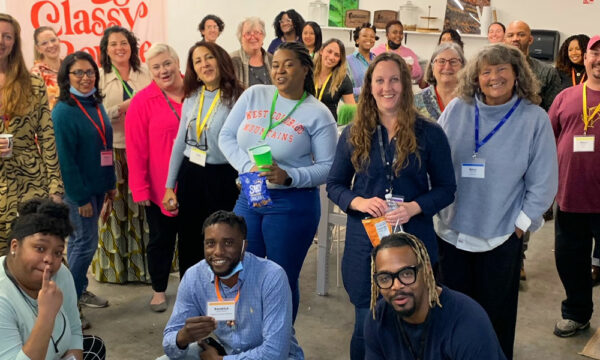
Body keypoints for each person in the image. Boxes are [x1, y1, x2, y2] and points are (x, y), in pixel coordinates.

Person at [326, 52, 456, 360]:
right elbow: (335, 185)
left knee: (415, 322)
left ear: (406, 85)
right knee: (365, 324)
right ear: (369, 86)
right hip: (365, 243)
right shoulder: (354, 132)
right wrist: (358, 201)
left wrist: (414, 207)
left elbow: (446, 189)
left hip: (414, 240)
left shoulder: (430, 133)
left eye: (394, 80)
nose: (388, 88)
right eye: (380, 80)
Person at [436, 43, 558, 359]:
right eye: (486, 70)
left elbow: (544, 183)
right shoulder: (456, 109)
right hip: (450, 234)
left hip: (501, 237)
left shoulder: (535, 119)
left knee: (495, 321)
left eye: (502, 69)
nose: (494, 77)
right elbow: (434, 161)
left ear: (517, 74)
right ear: (476, 76)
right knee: (450, 315)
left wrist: (519, 227)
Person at [219, 42, 337, 321]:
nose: (279, 70)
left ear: (305, 68)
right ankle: (248, 336)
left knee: (279, 278)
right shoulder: (254, 95)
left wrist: (290, 176)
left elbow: (328, 168)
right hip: (250, 195)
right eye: (275, 65)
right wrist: (248, 167)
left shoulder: (318, 113)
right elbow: (226, 137)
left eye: (288, 64)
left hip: (292, 204)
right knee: (241, 269)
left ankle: (279, 343)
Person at [161, 210, 304, 359]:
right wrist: (183, 337)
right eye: (210, 243)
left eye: (228, 243)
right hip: (227, 353)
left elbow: (275, 353)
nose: (218, 252)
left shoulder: (271, 277)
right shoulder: (194, 277)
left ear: (243, 247)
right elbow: (169, 342)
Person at [163, 41, 244, 278]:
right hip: (192, 175)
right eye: (197, 61)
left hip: (224, 178)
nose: (204, 64)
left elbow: (246, 143)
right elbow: (180, 143)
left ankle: (225, 292)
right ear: (193, 70)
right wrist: (170, 186)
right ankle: (193, 290)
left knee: (224, 240)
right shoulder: (192, 97)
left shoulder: (238, 98)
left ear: (220, 59)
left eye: (208, 57)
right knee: (190, 237)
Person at [365, 233, 506, 360]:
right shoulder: (377, 318)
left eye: (406, 274)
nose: (396, 286)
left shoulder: (468, 323)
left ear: (426, 271)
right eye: (385, 278)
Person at [52, 51, 117, 324]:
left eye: (90, 72)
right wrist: (80, 198)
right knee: (82, 245)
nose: (85, 77)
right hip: (80, 192)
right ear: (66, 78)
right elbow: (65, 161)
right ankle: (68, 305)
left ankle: (79, 291)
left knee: (86, 244)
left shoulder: (94, 103)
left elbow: (105, 147)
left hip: (98, 186)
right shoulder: (63, 112)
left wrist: (111, 183)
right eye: (78, 72)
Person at [0, 198, 106, 359]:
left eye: (57, 252)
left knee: (94, 346)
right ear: (15, 247)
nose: (50, 259)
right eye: (40, 248)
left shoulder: (60, 273)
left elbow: (75, 331)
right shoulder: (3, 297)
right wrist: (46, 315)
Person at [125, 43, 184, 312]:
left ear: (178, 62)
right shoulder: (142, 101)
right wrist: (140, 189)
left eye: (167, 64)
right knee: (161, 239)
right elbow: (135, 149)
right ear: (150, 71)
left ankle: (191, 287)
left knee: (194, 238)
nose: (163, 70)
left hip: (197, 182)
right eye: (156, 67)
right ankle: (159, 289)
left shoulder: (198, 93)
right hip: (162, 187)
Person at [93, 25, 152, 288]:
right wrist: (122, 108)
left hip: (143, 148)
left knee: (143, 207)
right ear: (106, 49)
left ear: (132, 47)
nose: (120, 48)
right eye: (114, 43)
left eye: (124, 43)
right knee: (116, 209)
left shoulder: (145, 73)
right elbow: (95, 116)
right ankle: (115, 270)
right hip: (114, 148)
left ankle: (146, 268)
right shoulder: (99, 77)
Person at [549, 34, 600, 338]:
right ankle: (577, 314)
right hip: (570, 197)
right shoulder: (566, 97)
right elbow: (546, 140)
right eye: (596, 53)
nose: (599, 61)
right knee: (571, 261)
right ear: (586, 58)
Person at [0, 13, 63, 256]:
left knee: (33, 254)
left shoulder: (34, 84)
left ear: (15, 42)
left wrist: (55, 189)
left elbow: (47, 137)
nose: (2, 41)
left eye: (8, 36)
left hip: (30, 181)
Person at [505, 20, 561, 111]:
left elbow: (553, 110)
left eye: (521, 35)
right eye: (510, 35)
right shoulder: (494, 70)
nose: (515, 38)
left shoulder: (547, 72)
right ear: (504, 40)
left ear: (530, 40)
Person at [414, 42, 465, 121]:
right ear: (432, 68)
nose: (447, 67)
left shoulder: (471, 100)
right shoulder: (416, 101)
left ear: (462, 67)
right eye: (441, 61)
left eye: (453, 61)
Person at [313, 38, 355, 121]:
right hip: (304, 125)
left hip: (328, 127)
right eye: (329, 51)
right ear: (321, 51)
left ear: (340, 59)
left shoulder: (343, 79)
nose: (332, 57)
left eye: (337, 55)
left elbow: (351, 110)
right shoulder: (306, 71)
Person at [230, 17, 273, 88]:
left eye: (256, 32)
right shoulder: (232, 60)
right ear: (241, 38)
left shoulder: (272, 60)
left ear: (263, 36)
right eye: (248, 33)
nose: (253, 37)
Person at [30, 26, 62, 109]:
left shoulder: (70, 66)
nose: (51, 45)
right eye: (44, 43)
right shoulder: (36, 74)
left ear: (59, 41)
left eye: (53, 40)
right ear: (38, 49)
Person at [347, 23, 379, 101]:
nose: (369, 39)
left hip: (377, 106)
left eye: (372, 36)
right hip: (356, 107)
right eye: (365, 36)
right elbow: (343, 89)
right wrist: (363, 90)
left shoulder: (378, 60)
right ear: (357, 40)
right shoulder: (347, 61)